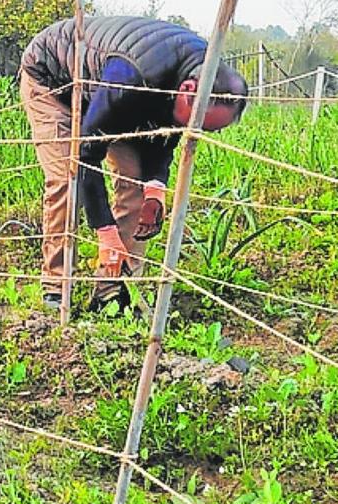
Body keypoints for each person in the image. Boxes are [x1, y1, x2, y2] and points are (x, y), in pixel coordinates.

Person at [19, 15, 248, 313]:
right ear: (188, 91)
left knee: (137, 187)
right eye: (198, 124)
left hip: (122, 98)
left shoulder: (201, 73)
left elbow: (166, 134)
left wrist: (155, 187)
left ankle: (113, 291)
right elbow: (86, 156)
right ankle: (56, 285)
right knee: (67, 178)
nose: (196, 133)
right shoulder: (130, 76)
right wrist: (105, 232)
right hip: (55, 80)